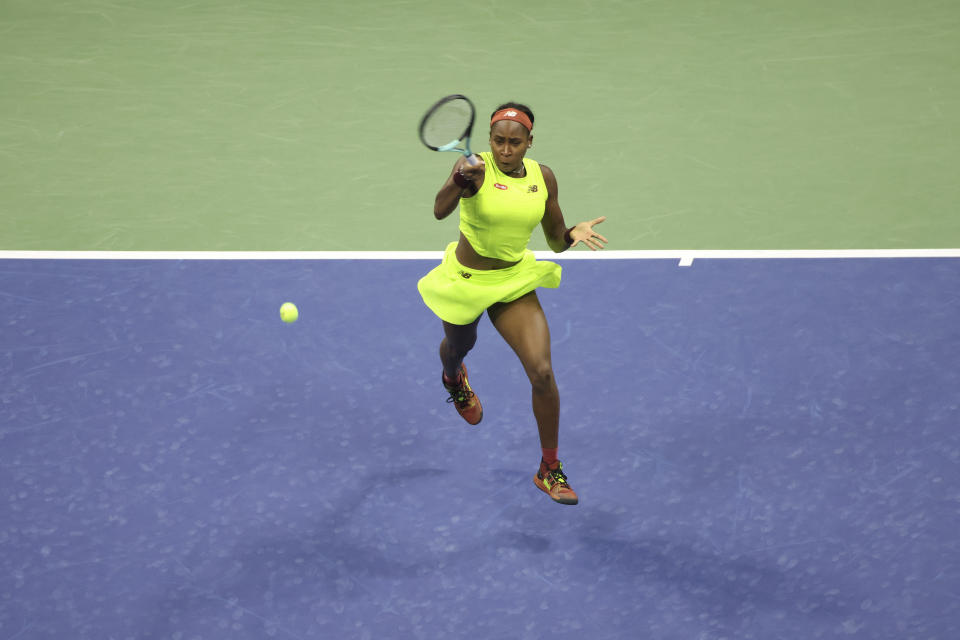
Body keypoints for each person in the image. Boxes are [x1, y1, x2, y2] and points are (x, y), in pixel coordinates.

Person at [417, 102, 607, 506]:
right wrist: (458, 181)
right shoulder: (475, 170)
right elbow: (439, 211)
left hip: (513, 281)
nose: (505, 150)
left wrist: (575, 232)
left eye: (514, 143)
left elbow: (555, 238)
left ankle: (549, 469)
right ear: (489, 140)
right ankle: (454, 378)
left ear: (529, 143)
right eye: (499, 141)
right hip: (466, 280)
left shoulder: (544, 178)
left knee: (541, 371)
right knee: (459, 346)